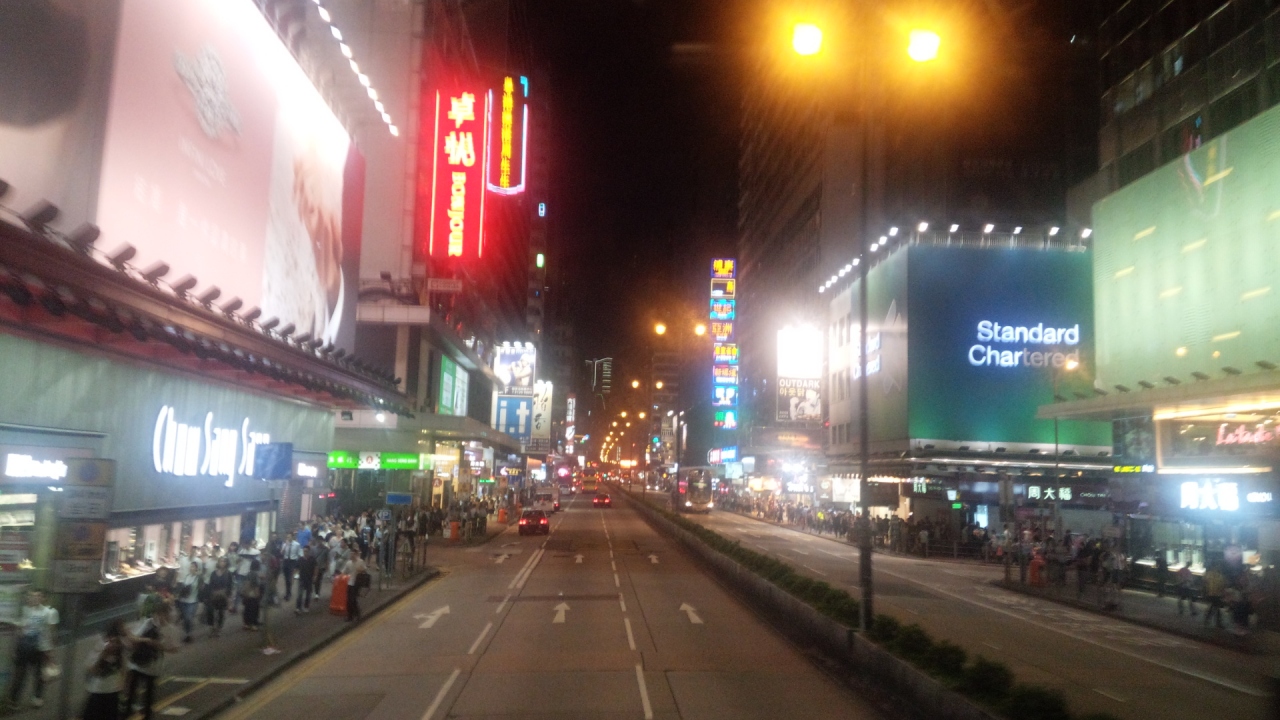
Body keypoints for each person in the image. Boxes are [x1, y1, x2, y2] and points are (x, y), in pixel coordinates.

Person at [125, 602, 178, 720]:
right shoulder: (147, 622)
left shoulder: (170, 629)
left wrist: (158, 645)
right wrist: (145, 640)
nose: (158, 617)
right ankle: (127, 714)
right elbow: (134, 637)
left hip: (153, 666)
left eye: (163, 614)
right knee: (131, 692)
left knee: (148, 695)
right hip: (138, 663)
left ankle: (147, 716)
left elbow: (174, 649)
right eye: (157, 614)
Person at [8, 590, 58, 708]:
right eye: (32, 596)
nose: (34, 598)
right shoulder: (24, 610)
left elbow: (51, 632)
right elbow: (19, 631)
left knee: (39, 675)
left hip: (40, 648)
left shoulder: (49, 612)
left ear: (43, 598)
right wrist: (16, 648)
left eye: (38, 596)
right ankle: (14, 700)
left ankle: (37, 697)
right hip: (24, 647)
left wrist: (50, 651)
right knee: (20, 674)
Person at [83, 619, 127, 720]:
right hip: (97, 692)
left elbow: (124, 668)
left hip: (113, 692)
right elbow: (92, 669)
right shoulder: (99, 648)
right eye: (111, 641)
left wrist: (123, 684)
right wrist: (102, 656)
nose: (113, 644)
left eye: (116, 642)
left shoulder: (120, 652)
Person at [205, 557, 233, 637]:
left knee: (221, 613)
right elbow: (210, 584)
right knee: (210, 611)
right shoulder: (213, 573)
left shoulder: (228, 574)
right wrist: (209, 594)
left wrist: (229, 597)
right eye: (221, 561)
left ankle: (218, 629)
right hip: (213, 595)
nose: (222, 563)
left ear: (226, 563)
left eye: (224, 561)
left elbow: (230, 586)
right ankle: (212, 627)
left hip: (223, 596)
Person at [175, 561, 202, 643]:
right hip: (183, 601)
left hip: (193, 601)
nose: (191, 568)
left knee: (188, 618)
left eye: (193, 566)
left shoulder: (199, 578)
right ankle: (187, 634)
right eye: (190, 566)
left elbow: (201, 588)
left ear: (196, 568)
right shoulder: (187, 576)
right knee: (185, 618)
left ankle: (189, 634)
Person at [343, 549, 368, 622]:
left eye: (353, 554)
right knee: (349, 600)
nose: (351, 555)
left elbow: (365, 570)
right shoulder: (348, 563)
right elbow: (344, 571)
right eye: (351, 554)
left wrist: (361, 570)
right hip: (350, 583)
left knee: (353, 599)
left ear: (356, 554)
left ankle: (357, 614)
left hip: (357, 583)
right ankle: (350, 616)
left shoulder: (360, 561)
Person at [241, 560, 264, 630]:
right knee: (254, 609)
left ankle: (246, 623)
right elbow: (256, 585)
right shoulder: (256, 574)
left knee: (247, 608)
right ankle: (253, 624)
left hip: (247, 593)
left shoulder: (248, 573)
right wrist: (257, 594)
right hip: (253, 593)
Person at [295, 545, 318, 613]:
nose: (305, 552)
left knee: (308, 594)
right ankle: (298, 608)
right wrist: (295, 575)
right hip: (301, 579)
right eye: (304, 551)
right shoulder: (300, 559)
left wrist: (315, 576)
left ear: (309, 551)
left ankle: (306, 606)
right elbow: (296, 568)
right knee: (299, 594)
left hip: (309, 579)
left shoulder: (312, 559)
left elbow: (316, 568)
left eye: (306, 551)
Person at [1203, 563, 1227, 629]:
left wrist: (1205, 592)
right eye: (1219, 566)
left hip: (1211, 594)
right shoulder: (1220, 575)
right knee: (1215, 608)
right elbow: (1223, 584)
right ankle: (1217, 622)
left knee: (1214, 607)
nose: (1220, 567)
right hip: (1217, 594)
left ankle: (1208, 620)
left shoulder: (1208, 574)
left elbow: (1204, 583)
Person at [282, 531, 303, 602]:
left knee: (289, 578)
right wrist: (285, 545)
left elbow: (299, 554)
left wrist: (298, 565)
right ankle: (288, 591)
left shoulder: (297, 545)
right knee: (286, 578)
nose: (288, 538)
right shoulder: (285, 544)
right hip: (286, 561)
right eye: (287, 537)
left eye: (289, 537)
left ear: (292, 537)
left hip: (292, 562)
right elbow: (282, 552)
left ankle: (288, 593)